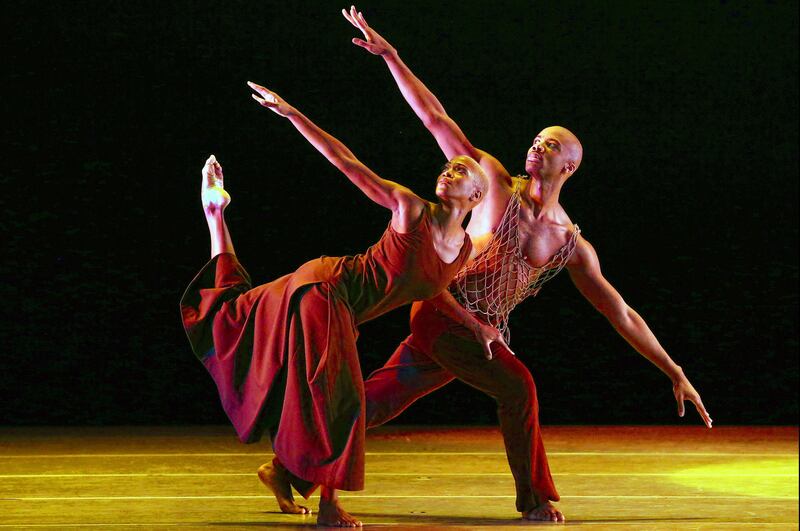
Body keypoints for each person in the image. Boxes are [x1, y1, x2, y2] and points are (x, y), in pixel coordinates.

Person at [337, 7, 714, 524]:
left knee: (375, 404)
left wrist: (673, 369)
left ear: (569, 166)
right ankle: (536, 499)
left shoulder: (569, 243)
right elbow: (436, 121)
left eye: (551, 144)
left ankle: (290, 468)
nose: (537, 146)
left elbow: (620, 312)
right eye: (537, 139)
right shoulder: (492, 184)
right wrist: (393, 59)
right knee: (519, 388)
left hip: (481, 331)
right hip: (444, 312)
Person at [180, 81, 489, 527]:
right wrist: (292, 114)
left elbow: (429, 287)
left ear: (476, 198)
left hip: (336, 305)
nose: (448, 171)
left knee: (324, 388)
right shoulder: (409, 208)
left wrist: (477, 326)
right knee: (340, 396)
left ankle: (282, 473)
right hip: (325, 290)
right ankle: (329, 507)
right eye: (447, 166)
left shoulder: (459, 249)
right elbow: (348, 164)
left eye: (461, 172)